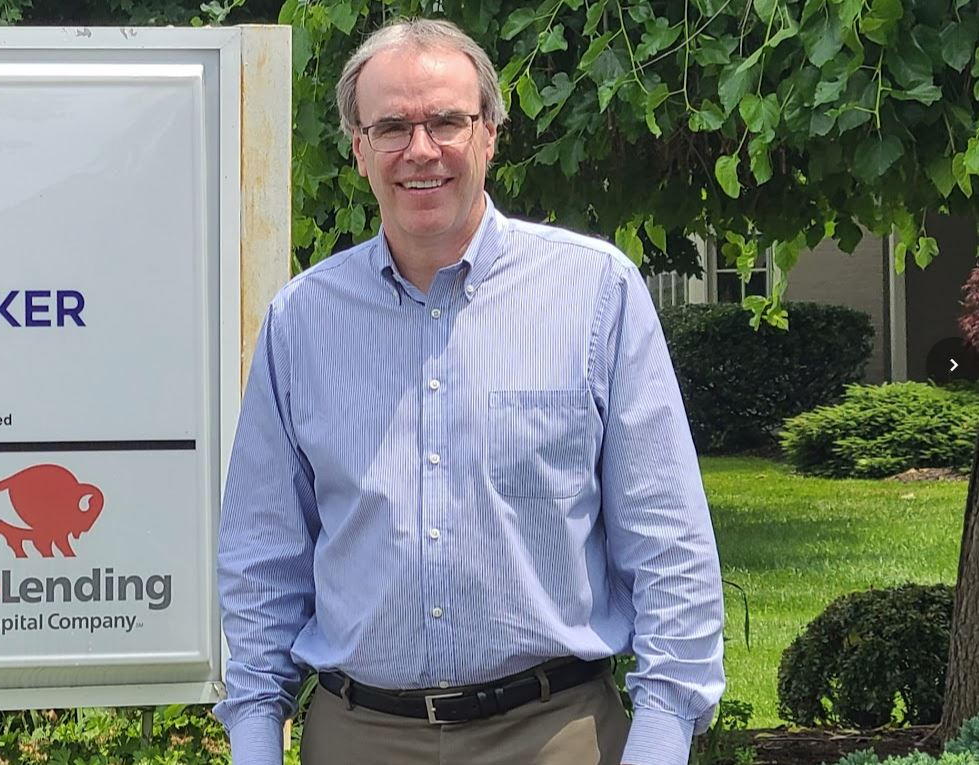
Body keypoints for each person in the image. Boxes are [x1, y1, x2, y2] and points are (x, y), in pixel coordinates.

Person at [214, 17, 725, 765]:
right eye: (391, 127)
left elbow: (668, 543)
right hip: (359, 737)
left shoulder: (596, 294)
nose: (420, 150)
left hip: (555, 734)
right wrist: (256, 739)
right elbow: (263, 559)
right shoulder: (302, 322)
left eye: (446, 121)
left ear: (489, 134)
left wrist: (658, 741)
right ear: (358, 147)